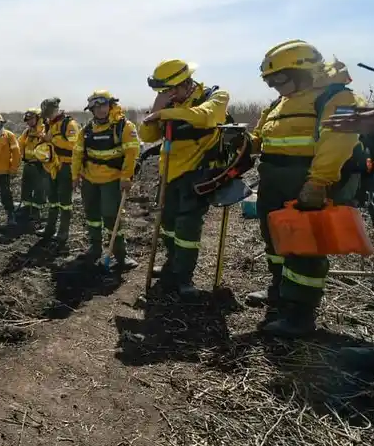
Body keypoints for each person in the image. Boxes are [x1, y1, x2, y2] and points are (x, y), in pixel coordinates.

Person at [249, 41, 365, 337]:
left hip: (308, 181)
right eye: (270, 81)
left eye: (280, 79)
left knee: (305, 248)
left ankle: (299, 316)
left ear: (305, 71)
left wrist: (317, 182)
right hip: (273, 180)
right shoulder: (279, 104)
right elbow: (260, 138)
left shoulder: (336, 96)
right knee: (274, 241)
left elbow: (337, 141)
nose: (275, 86)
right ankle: (279, 291)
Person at [139, 59, 230, 298]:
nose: (167, 95)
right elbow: (147, 135)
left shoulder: (215, 96)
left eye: (168, 90)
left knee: (187, 227)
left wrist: (164, 111)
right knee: (168, 224)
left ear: (185, 83)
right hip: (169, 173)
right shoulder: (167, 104)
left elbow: (205, 117)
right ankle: (172, 264)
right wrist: (155, 110)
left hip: (197, 172)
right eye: (162, 92)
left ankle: (184, 277)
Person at [71, 91, 140, 271]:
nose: (100, 110)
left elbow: (132, 154)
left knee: (111, 217)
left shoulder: (123, 127)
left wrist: (126, 177)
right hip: (89, 180)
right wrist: (75, 175)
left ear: (110, 105)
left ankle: (120, 255)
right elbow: (77, 154)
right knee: (92, 216)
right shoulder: (86, 131)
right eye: (96, 107)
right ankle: (95, 249)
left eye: (103, 105)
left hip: (112, 180)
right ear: (91, 109)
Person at [38, 97, 81, 250]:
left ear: (54, 110)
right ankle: (50, 229)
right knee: (53, 200)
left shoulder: (69, 124)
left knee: (65, 202)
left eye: (48, 113)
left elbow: (75, 146)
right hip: (53, 167)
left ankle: (63, 232)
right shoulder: (51, 124)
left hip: (66, 167)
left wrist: (54, 140)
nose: (47, 116)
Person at [17, 108, 48, 223]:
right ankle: (26, 209)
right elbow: (19, 144)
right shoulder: (27, 132)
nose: (29, 122)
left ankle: (36, 213)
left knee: (39, 190)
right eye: (27, 120)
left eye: (31, 119)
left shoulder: (44, 131)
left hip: (40, 166)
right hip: (28, 164)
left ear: (38, 118)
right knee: (26, 188)